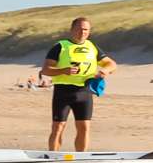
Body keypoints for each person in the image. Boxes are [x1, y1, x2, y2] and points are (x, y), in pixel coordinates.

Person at [42, 17, 113, 151]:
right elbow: (45, 70)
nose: (82, 32)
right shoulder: (60, 46)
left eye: (86, 29)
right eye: (79, 29)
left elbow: (111, 64)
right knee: (58, 127)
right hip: (63, 91)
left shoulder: (92, 47)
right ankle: (53, 156)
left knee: (84, 127)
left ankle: (81, 157)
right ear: (72, 30)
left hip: (84, 92)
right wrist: (64, 70)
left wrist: (105, 70)